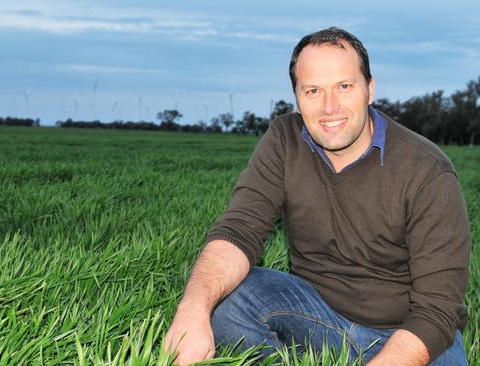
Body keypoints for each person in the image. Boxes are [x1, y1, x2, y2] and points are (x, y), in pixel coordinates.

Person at [164, 27, 470, 365]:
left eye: (344, 86)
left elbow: (437, 311)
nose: (329, 107)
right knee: (228, 301)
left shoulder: (426, 170)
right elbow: (239, 229)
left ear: (370, 89)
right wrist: (192, 309)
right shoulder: (285, 139)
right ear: (297, 96)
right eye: (313, 90)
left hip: (409, 333)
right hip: (316, 317)